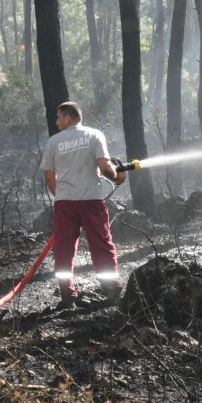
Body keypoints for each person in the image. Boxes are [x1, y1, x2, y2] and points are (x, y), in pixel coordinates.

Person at [40, 101, 126, 307]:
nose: (57, 121)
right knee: (101, 243)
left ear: (68, 118)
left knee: (64, 248)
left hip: (65, 204)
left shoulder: (53, 142)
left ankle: (67, 294)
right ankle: (111, 289)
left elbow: (50, 177)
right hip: (91, 201)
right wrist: (118, 178)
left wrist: (60, 195)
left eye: (59, 117)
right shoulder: (94, 135)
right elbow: (105, 169)